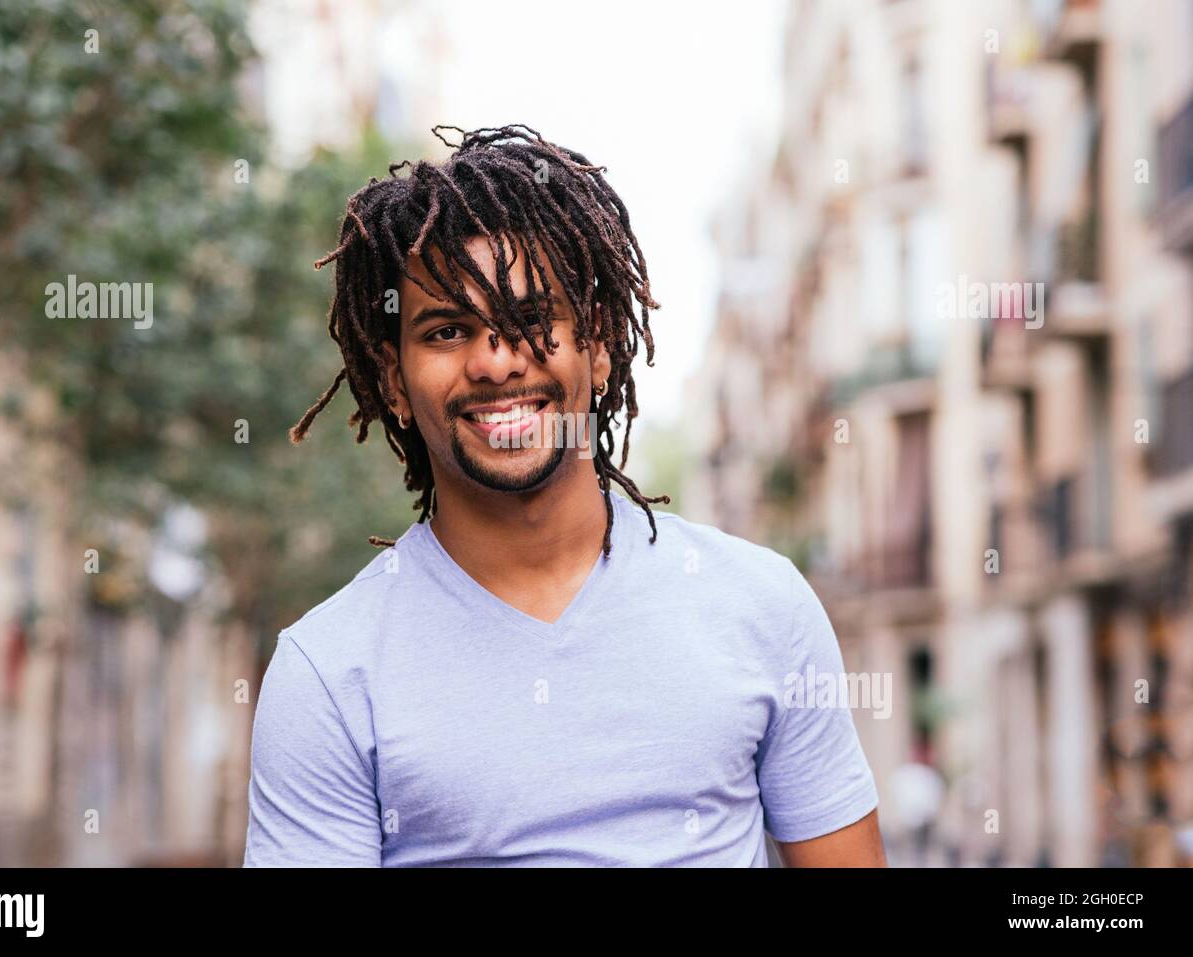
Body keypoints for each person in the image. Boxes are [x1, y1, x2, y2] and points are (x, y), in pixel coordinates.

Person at [243, 125, 884, 867]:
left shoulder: (764, 607)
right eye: (449, 330)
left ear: (601, 345)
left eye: (529, 320)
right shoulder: (327, 672)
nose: (496, 360)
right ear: (394, 381)